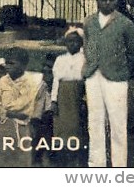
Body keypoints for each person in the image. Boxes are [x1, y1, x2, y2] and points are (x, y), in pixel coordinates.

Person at [82, 0, 134, 168]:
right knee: (95, 121)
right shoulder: (89, 22)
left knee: (118, 124)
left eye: (111, 0)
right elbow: (87, 46)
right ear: (97, 0)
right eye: (103, 0)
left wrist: (124, 71)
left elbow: (133, 52)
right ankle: (96, 164)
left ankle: (119, 167)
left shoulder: (125, 23)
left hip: (116, 78)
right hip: (93, 76)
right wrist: (90, 67)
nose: (107, 3)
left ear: (117, 1)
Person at [0, 46, 45, 167]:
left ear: (23, 65)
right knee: (4, 157)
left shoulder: (30, 84)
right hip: (4, 126)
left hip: (23, 127)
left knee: (22, 158)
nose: (8, 66)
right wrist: (9, 113)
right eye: (6, 63)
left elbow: (25, 105)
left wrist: (5, 108)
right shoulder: (1, 82)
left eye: (12, 63)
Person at [51, 27, 87, 167]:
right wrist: (54, 100)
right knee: (61, 127)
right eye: (69, 41)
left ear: (81, 43)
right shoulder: (60, 59)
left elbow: (86, 82)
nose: (72, 44)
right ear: (65, 43)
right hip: (62, 95)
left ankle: (76, 160)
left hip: (76, 94)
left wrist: (84, 99)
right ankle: (62, 160)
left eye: (76, 41)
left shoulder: (85, 59)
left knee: (76, 126)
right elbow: (56, 81)